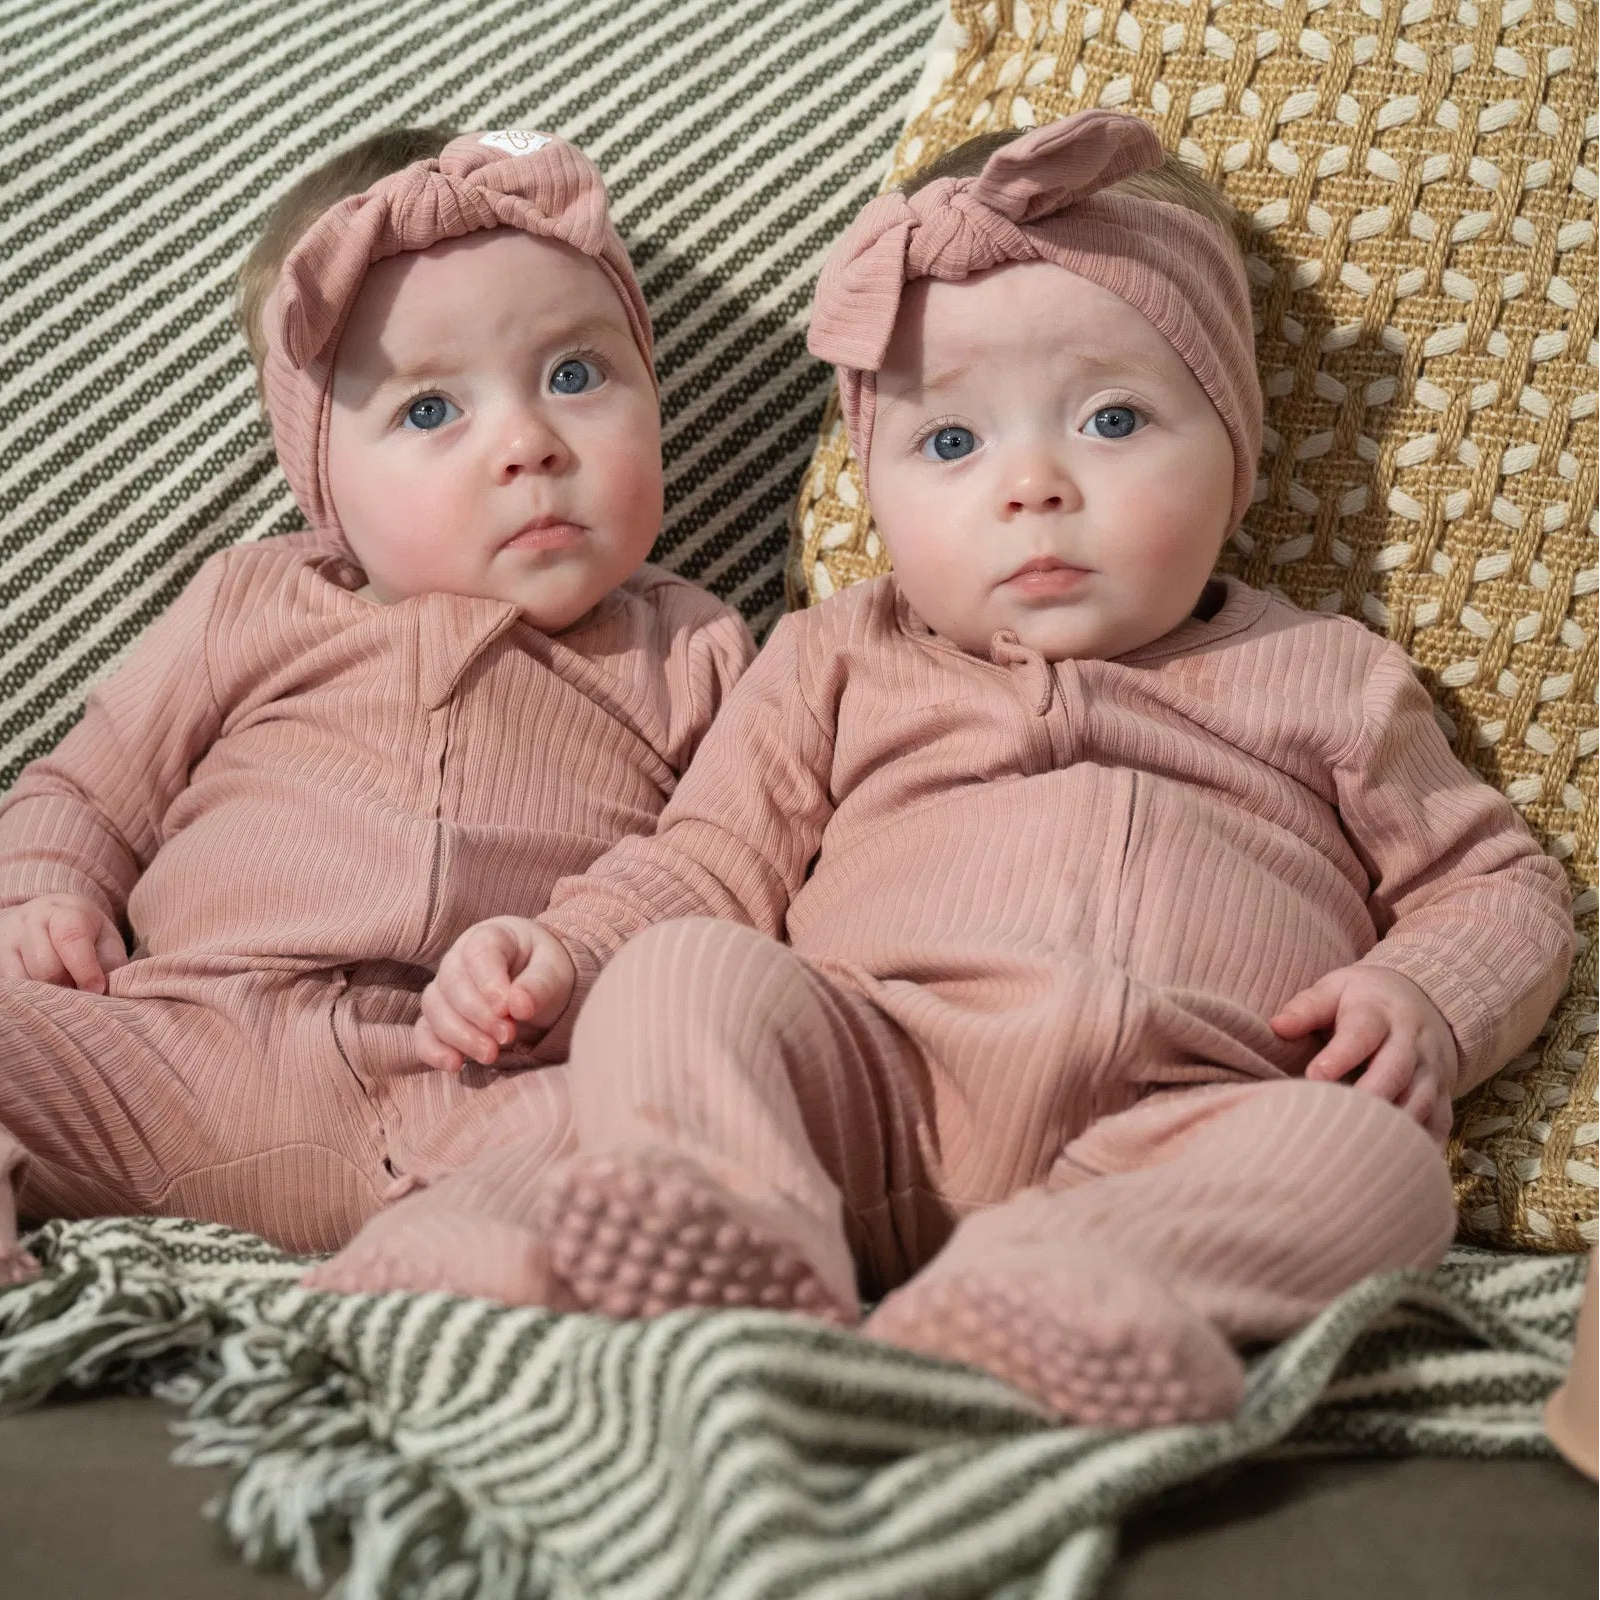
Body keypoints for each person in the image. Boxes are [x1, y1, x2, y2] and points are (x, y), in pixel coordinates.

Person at [401, 112, 1574, 1423]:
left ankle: (1049, 1296)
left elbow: (1501, 886)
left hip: (1181, 1126)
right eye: (952, 445)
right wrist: (570, 956)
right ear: (880, 488)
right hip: (871, 1098)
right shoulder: (836, 655)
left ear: (1236, 452)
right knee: (684, 979)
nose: (1033, 488)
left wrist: (1424, 992)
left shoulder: (1329, 673)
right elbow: (707, 861)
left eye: (1114, 418)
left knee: (1381, 1164)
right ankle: (741, 1253)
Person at [0, 127, 754, 1295]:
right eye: (428, 410)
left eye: (575, 374)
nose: (527, 445)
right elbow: (86, 785)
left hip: (483, 1079)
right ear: (322, 482)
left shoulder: (696, 648)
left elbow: (730, 875)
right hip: (186, 1045)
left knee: (677, 1132)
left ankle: (418, 1299)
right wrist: (47, 887)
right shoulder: (250, 600)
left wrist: (583, 982)